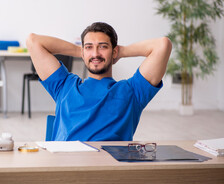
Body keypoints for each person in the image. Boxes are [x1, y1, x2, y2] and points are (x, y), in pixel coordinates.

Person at [26, 22, 172, 141]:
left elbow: (162, 45)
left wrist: (121, 51)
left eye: (103, 47)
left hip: (107, 170)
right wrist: (80, 51)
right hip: (66, 167)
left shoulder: (133, 91)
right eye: (89, 47)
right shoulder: (64, 86)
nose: (95, 54)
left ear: (114, 52)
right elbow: (33, 41)